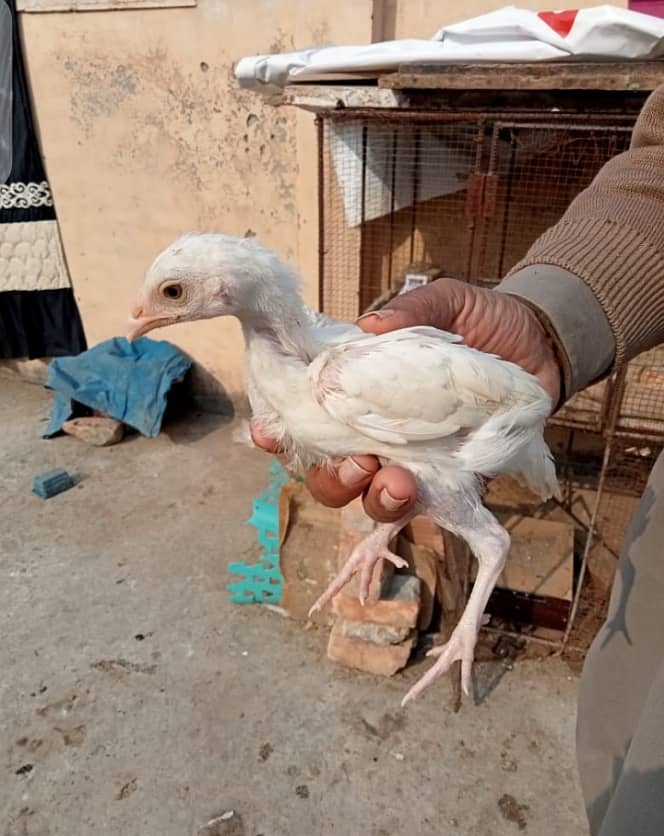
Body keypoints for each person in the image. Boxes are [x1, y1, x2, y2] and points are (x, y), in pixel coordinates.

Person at [252, 83, 664, 835]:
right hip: (499, 400)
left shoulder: (347, 372)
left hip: (505, 415)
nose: (149, 315)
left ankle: (468, 624)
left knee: (481, 532)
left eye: (172, 296)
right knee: (626, 743)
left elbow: (504, 410)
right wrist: (550, 320)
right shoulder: (308, 366)